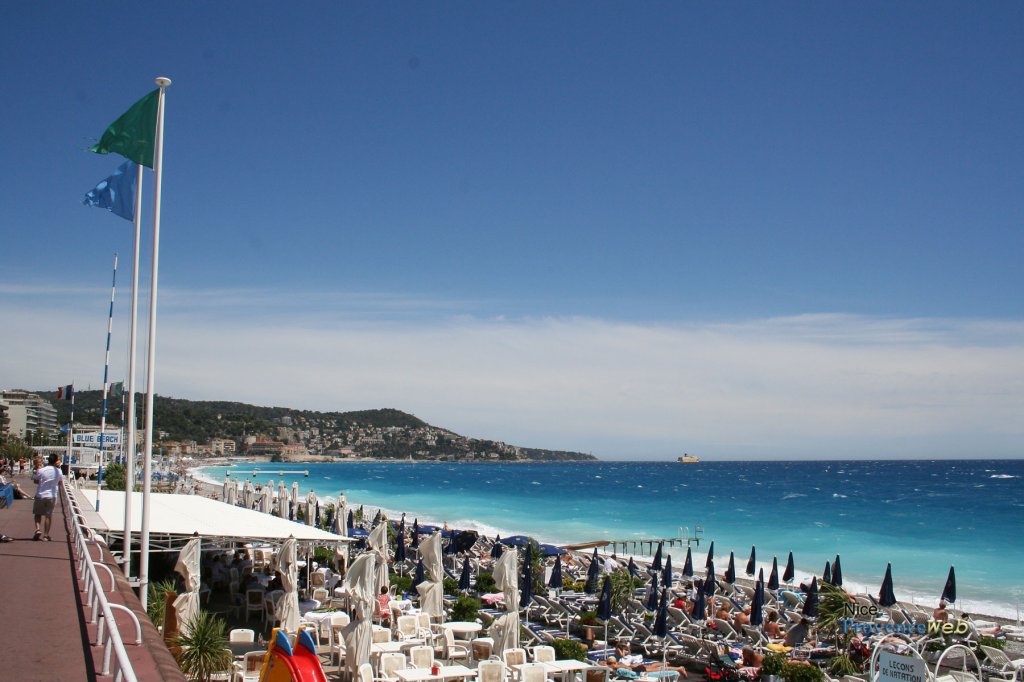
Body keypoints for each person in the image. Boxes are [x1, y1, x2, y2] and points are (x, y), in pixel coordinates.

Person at [31, 453, 63, 541]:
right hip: (52, 496)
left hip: (40, 495)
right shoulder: (58, 471)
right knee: (48, 516)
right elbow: (60, 483)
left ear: (48, 460)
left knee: (37, 514)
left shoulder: (42, 470)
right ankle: (45, 535)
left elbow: (36, 481)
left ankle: (37, 529)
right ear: (56, 461)